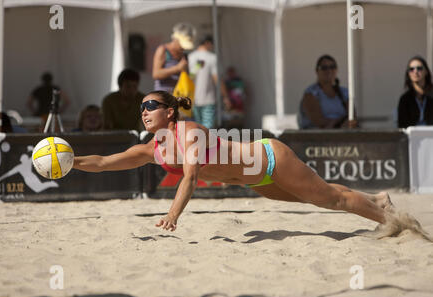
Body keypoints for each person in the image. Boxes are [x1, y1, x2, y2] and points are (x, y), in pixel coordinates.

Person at [72, 90, 406, 234]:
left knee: (329, 200)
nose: (143, 111)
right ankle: (378, 199)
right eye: (141, 107)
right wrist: (71, 161)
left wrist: (173, 215)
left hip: (269, 160)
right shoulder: (154, 147)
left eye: (150, 105)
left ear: (170, 112)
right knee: (317, 194)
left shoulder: (188, 132)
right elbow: (103, 161)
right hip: (255, 180)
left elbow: (190, 178)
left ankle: (391, 220)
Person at [298, 55, 357, 129]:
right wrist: (340, 123)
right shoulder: (311, 93)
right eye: (324, 68)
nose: (329, 70)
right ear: (317, 71)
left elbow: (353, 118)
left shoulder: (345, 93)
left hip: (342, 136)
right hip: (315, 137)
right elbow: (319, 121)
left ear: (337, 70)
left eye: (332, 67)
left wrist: (347, 124)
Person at [188, 35, 230, 129]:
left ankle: (200, 143)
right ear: (208, 43)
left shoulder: (191, 57)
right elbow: (217, 79)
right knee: (207, 129)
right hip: (208, 98)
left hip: (194, 99)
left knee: (198, 128)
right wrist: (225, 96)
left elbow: (191, 77)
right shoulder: (212, 57)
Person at [152, 23, 196, 93]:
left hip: (178, 96)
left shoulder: (183, 55)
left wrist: (196, 68)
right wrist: (177, 68)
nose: (183, 47)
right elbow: (156, 74)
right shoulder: (163, 50)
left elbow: (188, 77)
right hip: (164, 96)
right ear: (176, 39)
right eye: (182, 44)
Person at [397, 56, 433, 128]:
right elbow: (402, 125)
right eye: (411, 69)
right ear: (408, 74)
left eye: (419, 68)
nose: (415, 71)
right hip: (412, 137)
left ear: (426, 71)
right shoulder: (405, 99)